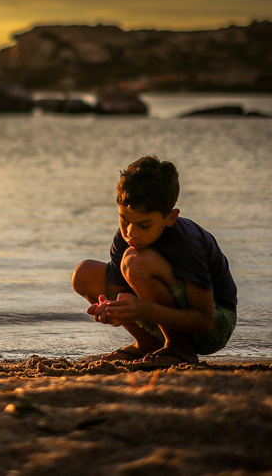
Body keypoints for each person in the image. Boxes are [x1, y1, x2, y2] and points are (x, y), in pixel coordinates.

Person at [72, 155, 237, 367]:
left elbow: (204, 322)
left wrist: (145, 310)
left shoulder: (186, 242)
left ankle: (180, 349)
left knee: (136, 261)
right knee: (84, 273)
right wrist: (110, 311)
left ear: (170, 217)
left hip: (215, 322)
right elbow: (115, 295)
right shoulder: (124, 238)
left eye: (145, 225)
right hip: (160, 316)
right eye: (124, 220)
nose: (131, 233)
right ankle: (147, 344)